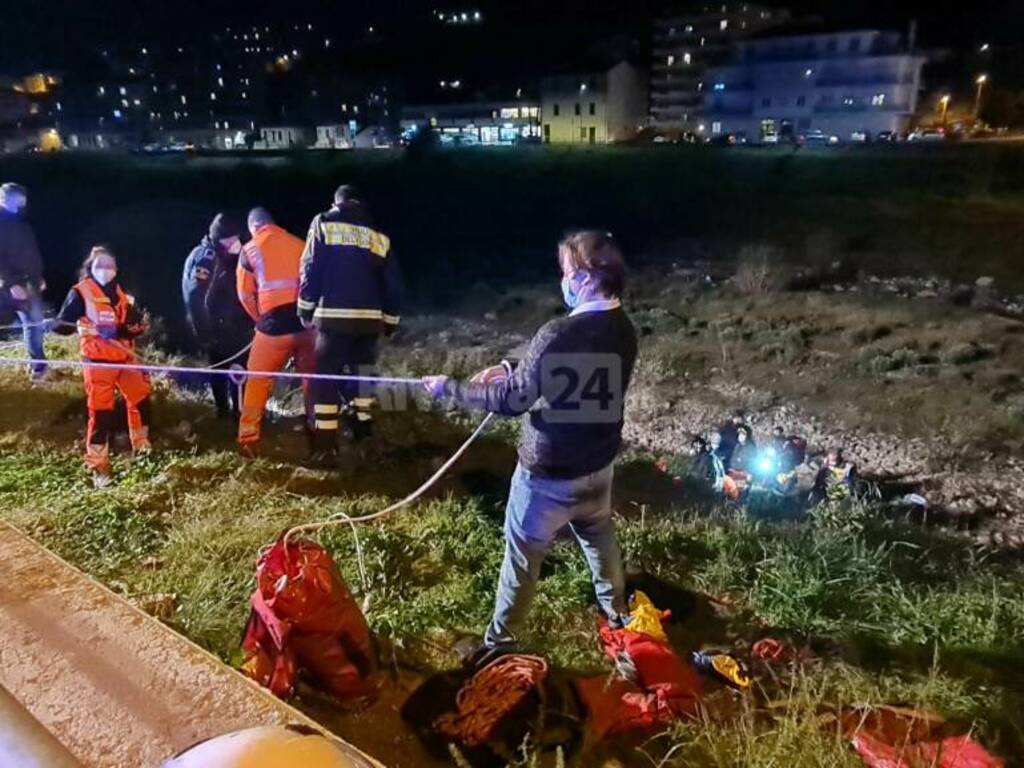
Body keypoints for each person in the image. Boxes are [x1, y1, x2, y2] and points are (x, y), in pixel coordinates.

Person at [423, 231, 638, 662]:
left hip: (547, 475)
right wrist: (510, 367)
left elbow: (511, 400)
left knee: (522, 558)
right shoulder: (624, 329)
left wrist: (451, 388)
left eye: (565, 272)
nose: (563, 280)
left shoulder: (557, 332)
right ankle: (618, 614)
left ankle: (498, 643)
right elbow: (569, 368)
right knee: (599, 538)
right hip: (598, 467)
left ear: (582, 277)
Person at [298, 185, 402, 461]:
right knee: (363, 373)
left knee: (327, 379)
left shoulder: (323, 223)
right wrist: (390, 321)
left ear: (336, 202)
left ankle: (326, 446)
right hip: (369, 322)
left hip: (333, 318)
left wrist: (305, 308)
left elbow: (310, 266)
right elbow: (393, 284)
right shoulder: (378, 236)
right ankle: (364, 434)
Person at [53, 246, 151, 488]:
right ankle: (99, 467)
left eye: (110, 266)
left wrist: (117, 330)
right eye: (100, 266)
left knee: (140, 399)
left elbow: (139, 325)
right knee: (100, 413)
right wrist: (76, 326)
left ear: (116, 270)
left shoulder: (122, 295)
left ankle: (142, 447)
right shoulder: (80, 293)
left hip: (126, 359)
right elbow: (61, 325)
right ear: (91, 268)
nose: (105, 271)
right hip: (98, 363)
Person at [236, 207, 315, 455]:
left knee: (257, 381)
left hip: (273, 327)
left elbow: (245, 295)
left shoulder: (249, 249)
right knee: (312, 379)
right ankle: (318, 429)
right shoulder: (299, 243)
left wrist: (260, 320)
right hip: (306, 324)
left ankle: (248, 437)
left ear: (253, 227)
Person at [182, 213, 252, 418]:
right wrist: (204, 331)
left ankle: (236, 412)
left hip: (233, 325)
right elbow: (195, 295)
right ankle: (227, 413)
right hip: (219, 328)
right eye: (231, 240)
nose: (236, 243)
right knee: (225, 370)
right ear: (219, 238)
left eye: (236, 238)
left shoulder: (223, 256)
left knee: (233, 370)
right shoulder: (207, 257)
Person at [0, 182, 47, 382]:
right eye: (19, 197)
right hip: (9, 285)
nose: (23, 201)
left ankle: (39, 369)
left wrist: (38, 278)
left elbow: (30, 254)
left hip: (29, 284)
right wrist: (9, 283)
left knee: (35, 325)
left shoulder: (21, 223)